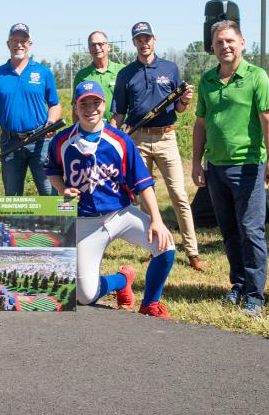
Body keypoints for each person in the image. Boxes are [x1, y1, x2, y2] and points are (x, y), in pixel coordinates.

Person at [45, 81, 176, 318]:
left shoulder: (119, 140)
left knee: (166, 247)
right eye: (84, 103)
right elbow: (52, 169)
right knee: (84, 296)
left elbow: (143, 182)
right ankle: (121, 280)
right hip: (85, 222)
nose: (90, 108)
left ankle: (150, 304)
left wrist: (156, 219)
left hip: (120, 214)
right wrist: (63, 188)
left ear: (104, 104)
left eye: (96, 102)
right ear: (75, 107)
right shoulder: (62, 141)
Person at [191, 20, 269, 317]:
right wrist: (196, 162)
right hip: (216, 166)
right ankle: (238, 284)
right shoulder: (207, 80)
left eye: (230, 41)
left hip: (249, 166)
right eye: (219, 43)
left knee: (250, 230)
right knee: (229, 230)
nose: (225, 46)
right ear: (213, 48)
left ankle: (256, 293)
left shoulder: (256, 77)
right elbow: (201, 124)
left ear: (242, 42)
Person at [112, 21, 205, 271]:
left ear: (155, 39)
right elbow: (119, 112)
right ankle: (155, 249)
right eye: (139, 39)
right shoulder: (125, 74)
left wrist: (184, 100)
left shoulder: (170, 68)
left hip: (166, 138)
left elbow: (180, 108)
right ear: (134, 43)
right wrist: (110, 136)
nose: (144, 43)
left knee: (179, 196)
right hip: (137, 139)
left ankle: (192, 252)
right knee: (145, 197)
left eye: (147, 38)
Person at [0, 23, 60, 196]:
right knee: (13, 196)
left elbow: (55, 104)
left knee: (48, 192)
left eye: (23, 40)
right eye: (15, 40)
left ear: (29, 44)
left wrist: (51, 123)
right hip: (10, 142)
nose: (19, 44)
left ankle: (53, 223)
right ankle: (15, 224)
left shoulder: (43, 72)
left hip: (41, 140)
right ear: (8, 44)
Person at [72, 31, 123, 121]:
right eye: (93, 45)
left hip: (120, 130)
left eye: (100, 44)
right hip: (92, 130)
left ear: (109, 47)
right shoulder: (82, 76)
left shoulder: (122, 71)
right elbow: (76, 107)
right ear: (89, 49)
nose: (97, 48)